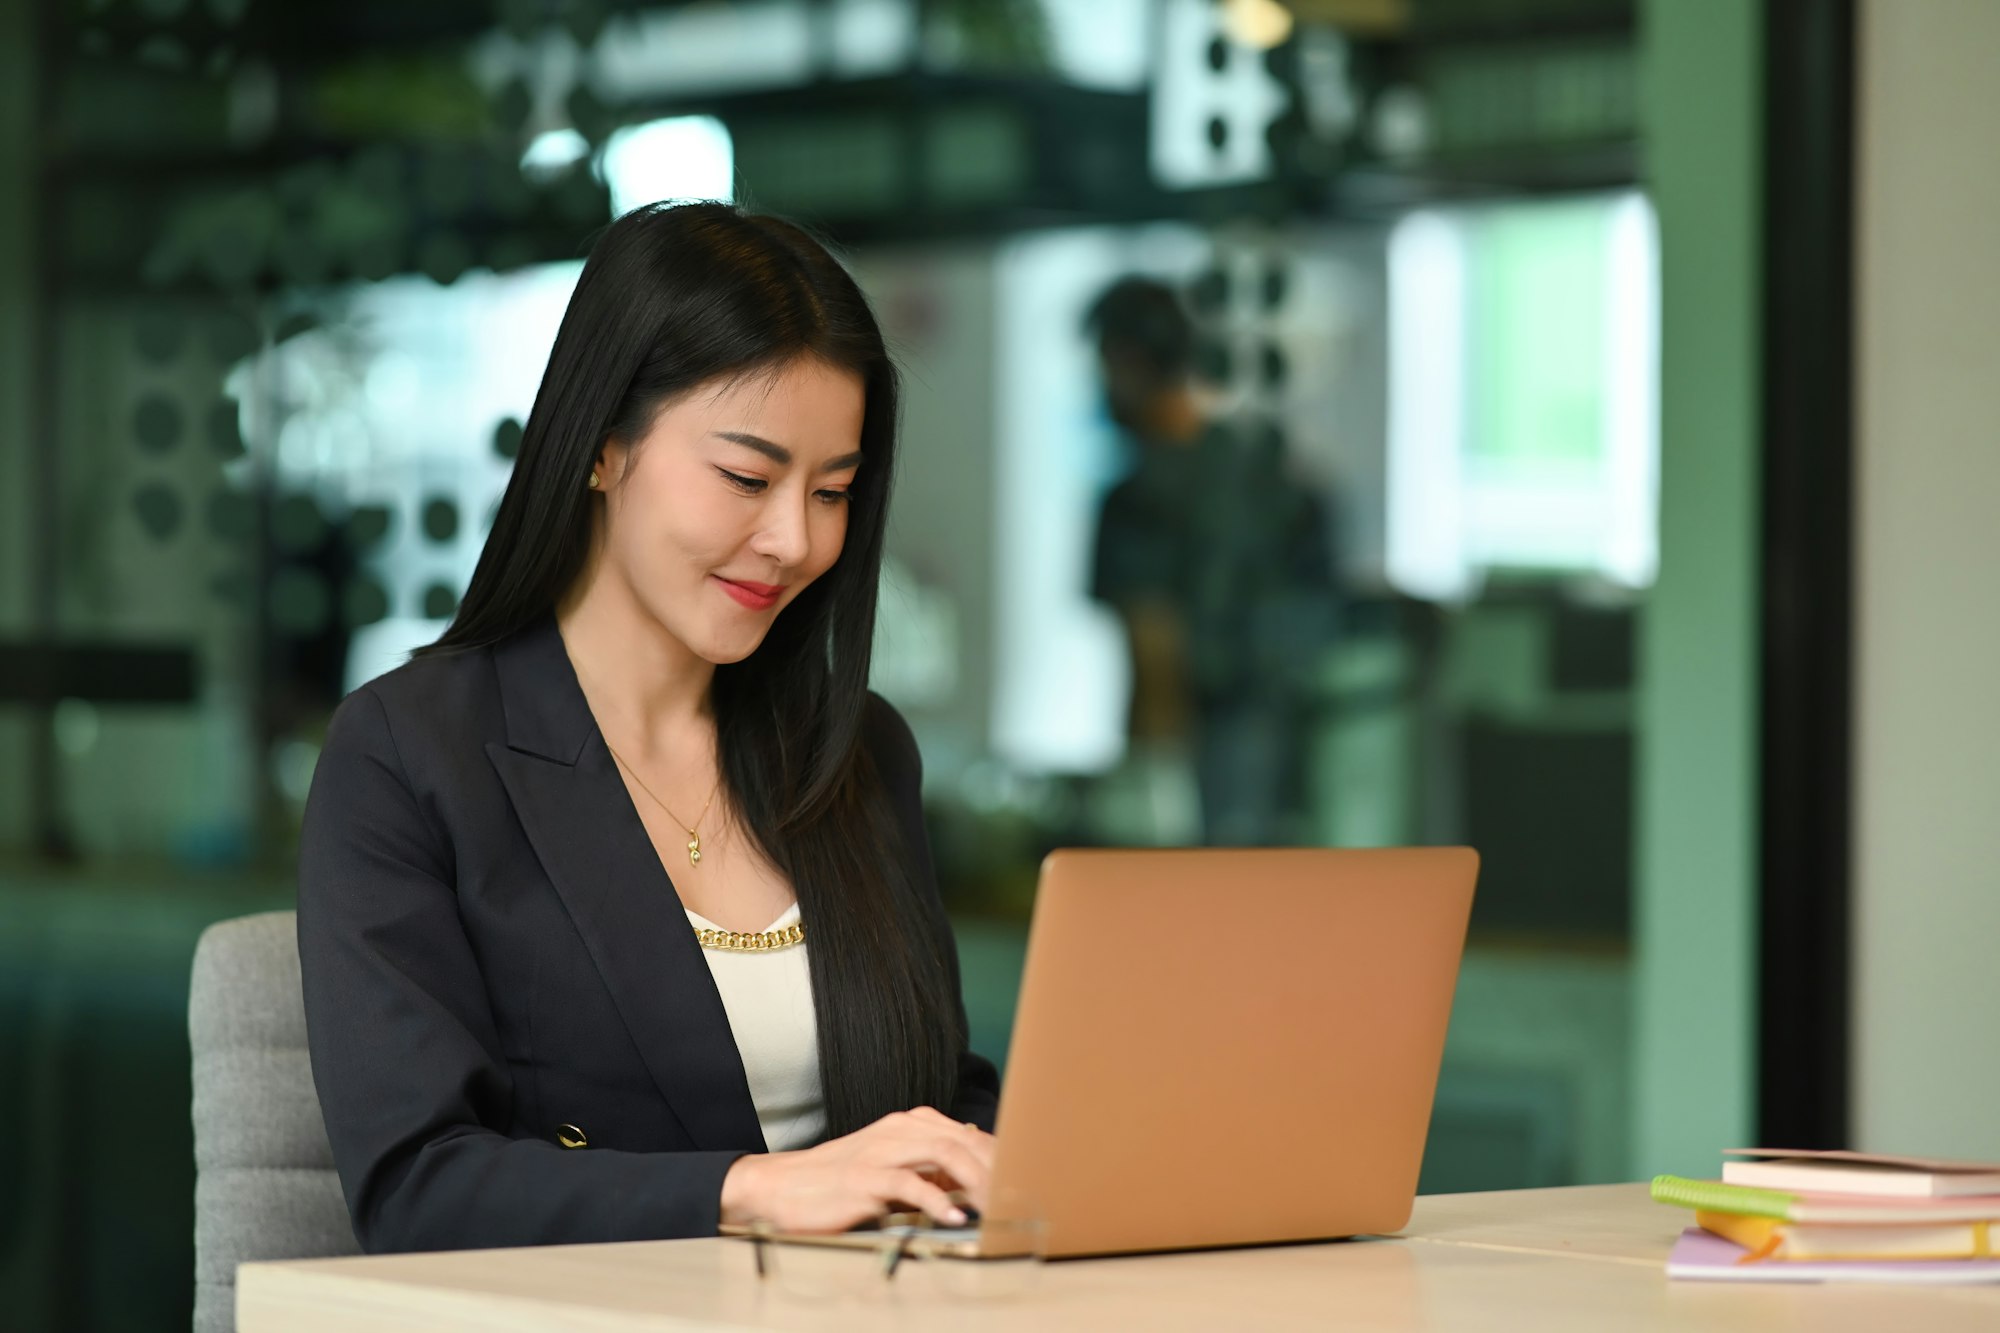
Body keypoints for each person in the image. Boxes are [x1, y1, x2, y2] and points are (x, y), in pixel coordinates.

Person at [296, 202, 999, 1255]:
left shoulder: (854, 750)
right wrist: (754, 1190)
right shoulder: (409, 754)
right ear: (601, 447)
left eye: (834, 491)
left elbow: (938, 1102)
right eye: (747, 479)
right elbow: (418, 1184)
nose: (792, 539)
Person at [1085, 276, 1339, 846]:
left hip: (1197, 792)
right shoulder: (1275, 478)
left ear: (1127, 361)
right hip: (1303, 785)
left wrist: (1148, 800)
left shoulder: (1138, 497)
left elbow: (1154, 650)